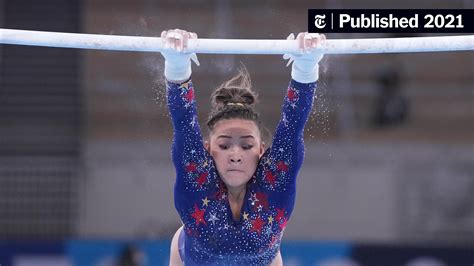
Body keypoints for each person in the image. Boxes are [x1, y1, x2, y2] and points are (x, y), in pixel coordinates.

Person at [161, 29, 325, 265]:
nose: (235, 155)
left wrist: (306, 65)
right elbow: (184, 123)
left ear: (261, 151)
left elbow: (293, 125)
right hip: (187, 252)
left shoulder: (274, 181)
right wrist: (177, 64)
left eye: (246, 145)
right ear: (207, 150)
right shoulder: (197, 180)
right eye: (225, 145)